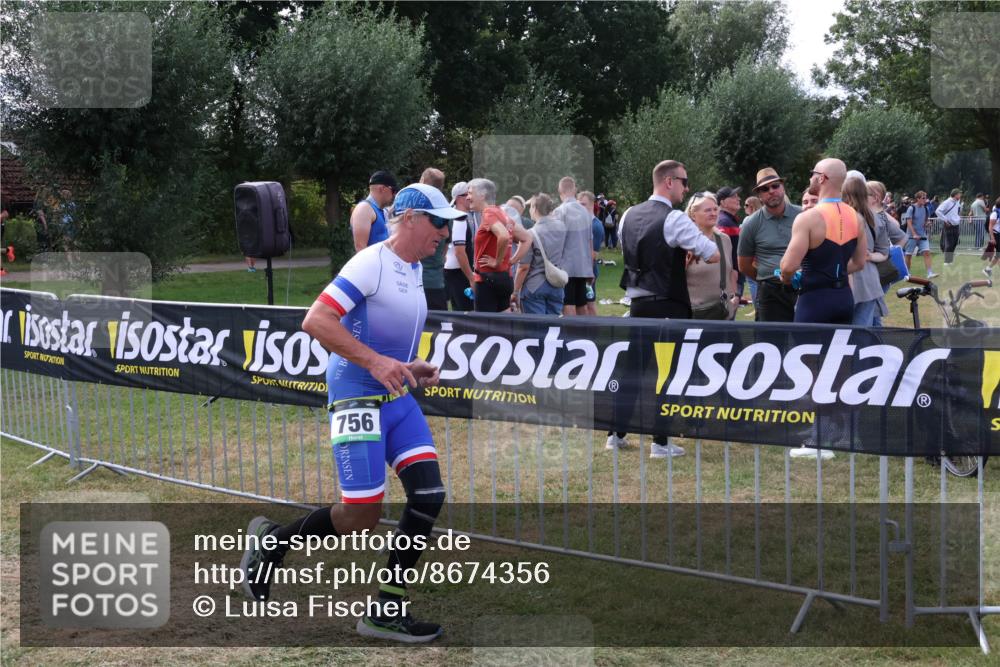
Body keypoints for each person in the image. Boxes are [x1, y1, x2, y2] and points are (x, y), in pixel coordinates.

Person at [240, 183, 463, 643]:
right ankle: (272, 544)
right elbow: (316, 321)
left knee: (429, 494)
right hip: (356, 399)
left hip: (396, 398)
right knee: (361, 514)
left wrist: (405, 366)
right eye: (439, 223)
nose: (444, 232)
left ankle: (386, 608)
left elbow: (385, 332)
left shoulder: (415, 267)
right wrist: (376, 362)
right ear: (412, 219)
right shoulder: (370, 262)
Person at [608, 159, 720, 458]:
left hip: (638, 304)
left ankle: (615, 434)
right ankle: (660, 442)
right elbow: (711, 254)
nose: (687, 188)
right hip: (669, 304)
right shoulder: (675, 219)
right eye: (684, 182)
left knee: (632, 370)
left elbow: (630, 250)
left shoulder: (628, 214)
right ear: (669, 181)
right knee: (666, 374)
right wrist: (690, 246)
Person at [780, 158, 866, 324]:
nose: (810, 178)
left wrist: (787, 278)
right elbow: (859, 263)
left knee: (806, 350)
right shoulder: (857, 218)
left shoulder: (808, 218)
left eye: (813, 174)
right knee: (839, 350)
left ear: (822, 178)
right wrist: (834, 271)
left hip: (814, 300)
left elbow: (788, 266)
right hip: (844, 299)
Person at [737, 167, 803, 322]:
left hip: (803, 289)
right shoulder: (751, 223)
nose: (771, 191)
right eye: (765, 189)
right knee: (770, 342)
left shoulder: (803, 216)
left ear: (783, 187)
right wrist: (766, 276)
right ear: (759, 195)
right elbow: (744, 265)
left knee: (806, 341)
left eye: (775, 186)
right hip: (770, 293)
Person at [468, 178, 532, 312]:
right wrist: (511, 261)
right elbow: (527, 238)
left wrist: (497, 261)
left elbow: (503, 235)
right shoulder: (502, 213)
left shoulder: (489, 213)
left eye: (470, 193)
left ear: (482, 195)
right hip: (505, 278)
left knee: (484, 328)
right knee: (503, 326)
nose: (468, 197)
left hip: (487, 279)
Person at [842, 175, 887, 326]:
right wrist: (869, 256)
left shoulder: (840, 217)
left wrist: (867, 256)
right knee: (861, 334)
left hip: (846, 280)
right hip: (869, 283)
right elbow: (884, 253)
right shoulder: (876, 218)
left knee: (843, 336)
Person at [685, 192, 738, 320]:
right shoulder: (685, 242)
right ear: (693, 214)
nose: (713, 213)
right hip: (694, 315)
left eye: (715, 209)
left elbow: (731, 270)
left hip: (723, 314)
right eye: (708, 210)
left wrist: (734, 296)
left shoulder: (724, 239)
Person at [512, 193, 566, 315]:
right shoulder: (562, 228)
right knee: (553, 329)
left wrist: (515, 291)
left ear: (535, 208)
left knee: (536, 330)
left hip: (534, 285)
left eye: (531, 206)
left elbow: (524, 267)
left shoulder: (530, 234)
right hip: (557, 284)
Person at [553, 176, 596, 316]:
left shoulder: (560, 211)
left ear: (560, 192)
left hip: (566, 266)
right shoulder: (586, 212)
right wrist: (590, 268)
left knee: (568, 303)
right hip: (583, 266)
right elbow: (590, 241)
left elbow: (557, 241)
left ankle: (572, 336)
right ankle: (585, 335)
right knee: (582, 303)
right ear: (575, 189)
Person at [419, 168, 449, 310]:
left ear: (423, 181)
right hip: (436, 282)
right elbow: (445, 247)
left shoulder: (413, 206)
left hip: (413, 282)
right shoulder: (446, 209)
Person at [443, 182, 476, 310]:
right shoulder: (459, 218)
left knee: (462, 313)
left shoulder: (464, 216)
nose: (470, 198)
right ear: (458, 198)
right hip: (458, 271)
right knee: (465, 314)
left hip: (457, 270)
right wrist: (471, 277)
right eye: (467, 194)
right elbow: (459, 252)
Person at [350, 171, 398, 253]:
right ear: (382, 189)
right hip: (372, 265)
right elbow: (360, 248)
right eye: (393, 190)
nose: (394, 195)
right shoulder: (364, 208)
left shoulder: (380, 210)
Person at [576, 190, 605, 315]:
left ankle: (594, 332)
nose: (580, 208)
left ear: (592, 204)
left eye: (583, 204)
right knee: (581, 304)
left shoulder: (595, 225)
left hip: (588, 272)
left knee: (589, 304)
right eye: (579, 205)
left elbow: (593, 254)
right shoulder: (582, 223)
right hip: (580, 271)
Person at [715, 186, 743, 303]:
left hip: (734, 278)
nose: (739, 199)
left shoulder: (729, 220)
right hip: (730, 280)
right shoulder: (724, 222)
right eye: (733, 197)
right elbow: (723, 255)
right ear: (722, 202)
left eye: (738, 196)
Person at [901, 191, 937, 278]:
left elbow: (925, 221)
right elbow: (909, 223)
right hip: (911, 236)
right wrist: (914, 234)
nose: (925, 200)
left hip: (922, 235)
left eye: (926, 198)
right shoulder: (911, 208)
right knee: (908, 255)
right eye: (923, 198)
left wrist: (927, 224)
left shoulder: (926, 209)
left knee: (927, 252)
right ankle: (907, 274)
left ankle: (929, 273)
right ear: (918, 199)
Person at [936, 188, 963, 265]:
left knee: (954, 242)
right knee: (949, 243)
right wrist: (945, 220)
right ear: (955, 195)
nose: (960, 195)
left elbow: (957, 211)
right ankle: (946, 261)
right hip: (949, 224)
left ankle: (950, 260)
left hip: (956, 224)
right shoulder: (947, 202)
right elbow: (938, 211)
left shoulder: (957, 202)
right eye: (959, 194)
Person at [984, 196, 1000, 277]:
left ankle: (988, 269)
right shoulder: (995, 213)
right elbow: (990, 227)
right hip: (996, 235)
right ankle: (987, 269)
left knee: (998, 255)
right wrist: (992, 238)